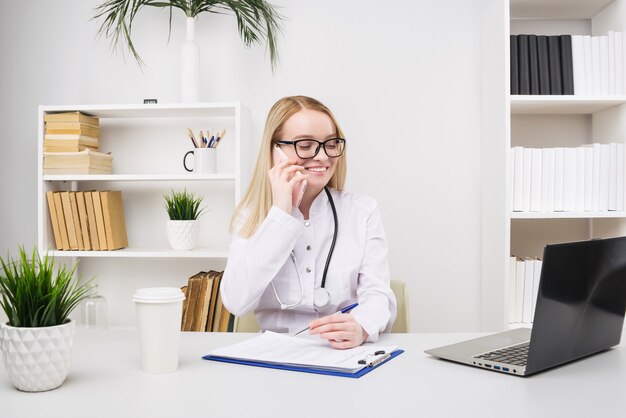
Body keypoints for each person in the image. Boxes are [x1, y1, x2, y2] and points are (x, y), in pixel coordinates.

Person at [221, 95, 396, 349]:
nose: (323, 157)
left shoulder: (362, 211)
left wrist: (361, 326)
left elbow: (378, 295)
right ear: (275, 151)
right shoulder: (250, 216)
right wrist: (281, 212)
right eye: (305, 145)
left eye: (331, 143)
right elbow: (236, 302)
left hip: (341, 354)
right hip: (274, 357)